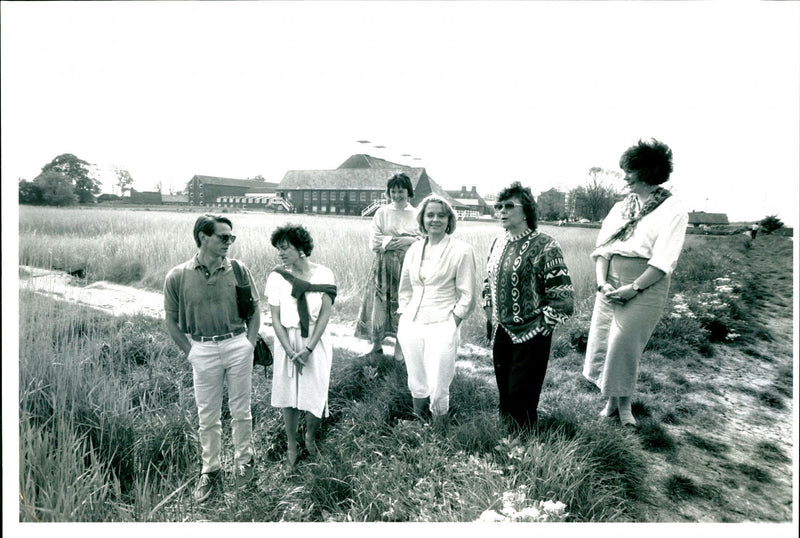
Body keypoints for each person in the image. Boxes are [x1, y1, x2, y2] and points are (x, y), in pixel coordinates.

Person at [583, 139, 688, 426]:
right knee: (606, 342)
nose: (625, 176)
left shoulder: (673, 209)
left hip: (646, 284)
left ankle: (624, 404)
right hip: (610, 280)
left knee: (624, 344)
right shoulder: (620, 208)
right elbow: (603, 248)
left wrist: (633, 288)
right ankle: (613, 401)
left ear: (647, 171)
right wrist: (602, 283)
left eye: (630, 171)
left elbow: (663, 261)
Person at [164, 214, 260, 503]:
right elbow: (170, 318)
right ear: (203, 237)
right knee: (207, 416)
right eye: (223, 237)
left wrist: (249, 344)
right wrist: (191, 351)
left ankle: (244, 463)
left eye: (231, 237)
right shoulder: (178, 276)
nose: (228, 242)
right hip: (201, 349)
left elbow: (255, 311)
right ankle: (211, 469)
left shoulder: (239, 270)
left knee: (241, 409)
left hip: (236, 345)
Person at [483, 182, 574, 432]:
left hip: (532, 331)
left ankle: (526, 445)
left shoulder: (545, 244)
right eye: (498, 206)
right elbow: (488, 279)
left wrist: (545, 325)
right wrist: (489, 310)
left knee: (521, 392)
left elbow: (562, 293)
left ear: (526, 211)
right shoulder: (497, 242)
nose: (501, 211)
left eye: (509, 206)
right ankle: (505, 438)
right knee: (504, 388)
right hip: (503, 330)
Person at [396, 195, 477, 427]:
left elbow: (467, 295)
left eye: (441, 215)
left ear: (449, 220)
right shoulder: (414, 249)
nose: (435, 220)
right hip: (412, 323)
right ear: (422, 219)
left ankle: (438, 432)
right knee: (416, 375)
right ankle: (418, 422)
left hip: (442, 323)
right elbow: (405, 287)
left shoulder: (461, 250)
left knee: (439, 380)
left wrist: (453, 323)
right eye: (430, 215)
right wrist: (404, 315)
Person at [266, 224, 337, 469]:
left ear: (301, 248)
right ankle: (291, 444)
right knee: (289, 395)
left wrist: (308, 349)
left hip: (315, 341)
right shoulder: (276, 277)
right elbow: (274, 318)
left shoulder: (324, 275)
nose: (280, 253)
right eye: (278, 249)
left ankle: (310, 438)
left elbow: (325, 315)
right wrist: (288, 350)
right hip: (287, 341)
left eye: (285, 248)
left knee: (315, 392)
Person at [355, 172, 420, 360]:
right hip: (383, 266)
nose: (397, 195)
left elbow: (424, 241)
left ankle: (400, 350)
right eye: (393, 191)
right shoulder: (382, 213)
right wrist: (394, 242)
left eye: (401, 191)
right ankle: (376, 346)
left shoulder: (417, 214)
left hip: (407, 266)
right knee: (379, 304)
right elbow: (374, 242)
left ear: (408, 192)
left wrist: (410, 240)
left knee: (404, 304)